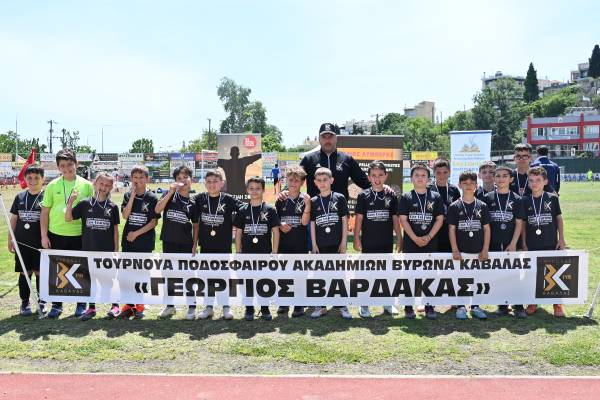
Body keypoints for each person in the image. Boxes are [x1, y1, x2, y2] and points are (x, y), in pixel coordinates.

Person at [40, 149, 94, 319]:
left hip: (79, 234)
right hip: (56, 233)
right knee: (58, 270)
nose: (67, 168)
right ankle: (57, 305)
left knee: (80, 270)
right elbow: (44, 212)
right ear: (58, 167)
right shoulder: (52, 185)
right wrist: (44, 235)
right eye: (62, 165)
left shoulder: (87, 185)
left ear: (76, 164)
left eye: (70, 164)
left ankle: (81, 304)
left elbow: (92, 210)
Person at [65, 172, 120, 321]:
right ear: (95, 184)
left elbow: (115, 230)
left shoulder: (113, 207)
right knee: (91, 280)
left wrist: (116, 249)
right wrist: (70, 203)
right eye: (101, 183)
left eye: (107, 185)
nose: (103, 187)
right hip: (88, 250)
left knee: (108, 280)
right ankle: (91, 307)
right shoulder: (84, 204)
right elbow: (68, 218)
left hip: (107, 251)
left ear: (111, 188)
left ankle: (115, 306)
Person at [193, 169, 244, 320]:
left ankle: (226, 306)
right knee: (206, 277)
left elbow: (245, 208)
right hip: (206, 246)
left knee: (223, 276)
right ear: (205, 184)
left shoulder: (228, 199)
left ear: (222, 184)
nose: (212, 184)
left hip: (223, 246)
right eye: (209, 182)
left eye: (215, 181)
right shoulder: (199, 198)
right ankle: (208, 307)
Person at [354, 161, 401, 318]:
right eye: (373, 175)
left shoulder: (391, 195)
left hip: (386, 242)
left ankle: (387, 303)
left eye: (380, 175)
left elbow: (395, 218)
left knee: (386, 273)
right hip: (368, 242)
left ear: (386, 176)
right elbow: (359, 219)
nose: (377, 178)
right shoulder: (363, 195)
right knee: (367, 273)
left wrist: (399, 237)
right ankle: (364, 304)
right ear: (369, 177)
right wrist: (356, 238)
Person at [397, 163, 444, 320]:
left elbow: (439, 219)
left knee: (429, 274)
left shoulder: (435, 197)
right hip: (411, 243)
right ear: (411, 178)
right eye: (416, 175)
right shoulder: (406, 197)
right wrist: (414, 238)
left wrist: (429, 237)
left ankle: (429, 306)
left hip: (430, 243)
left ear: (428, 179)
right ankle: (408, 307)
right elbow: (403, 220)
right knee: (409, 275)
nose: (420, 178)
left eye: (423, 175)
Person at [234, 176, 280, 321]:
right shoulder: (242, 210)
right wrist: (238, 251)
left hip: (264, 253)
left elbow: (275, 231)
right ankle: (249, 308)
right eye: (251, 188)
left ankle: (265, 308)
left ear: (263, 190)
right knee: (247, 282)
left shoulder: (270, 210)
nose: (254, 191)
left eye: (258, 188)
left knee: (264, 281)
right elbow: (239, 232)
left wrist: (274, 252)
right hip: (246, 253)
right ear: (247, 190)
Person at [483, 165, 527, 318]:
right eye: (498, 176)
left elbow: (519, 223)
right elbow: (485, 224)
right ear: (494, 179)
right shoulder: (487, 198)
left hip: (511, 243)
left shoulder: (517, 199)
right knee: (498, 275)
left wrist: (514, 243)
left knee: (515, 274)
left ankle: (519, 306)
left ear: (511, 179)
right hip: (494, 242)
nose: (501, 179)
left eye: (504, 176)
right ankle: (502, 305)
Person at [521, 166, 566, 318]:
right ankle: (533, 302)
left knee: (553, 273)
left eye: (538, 180)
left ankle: (557, 304)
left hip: (550, 242)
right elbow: (523, 224)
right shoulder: (525, 200)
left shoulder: (552, 198)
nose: (534, 183)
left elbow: (559, 218)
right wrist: (524, 243)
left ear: (545, 181)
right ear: (528, 183)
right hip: (532, 243)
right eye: (531, 180)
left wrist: (561, 239)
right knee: (533, 274)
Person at [117, 165, 161, 319]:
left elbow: (154, 222)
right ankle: (129, 305)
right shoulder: (127, 195)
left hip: (144, 242)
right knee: (127, 273)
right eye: (135, 177)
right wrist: (132, 196)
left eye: (141, 177)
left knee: (142, 273)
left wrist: (136, 233)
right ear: (131, 179)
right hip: (128, 242)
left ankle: (140, 304)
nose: (138, 180)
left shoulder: (152, 197)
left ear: (147, 179)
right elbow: (125, 216)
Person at [155, 166, 197, 320]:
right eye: (179, 178)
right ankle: (169, 305)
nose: (182, 181)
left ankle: (191, 306)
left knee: (188, 274)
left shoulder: (194, 201)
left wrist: (195, 244)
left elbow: (196, 225)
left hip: (186, 243)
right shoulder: (169, 195)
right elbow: (157, 210)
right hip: (169, 240)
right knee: (169, 274)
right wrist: (170, 192)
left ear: (191, 180)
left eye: (185, 177)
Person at [448, 171, 491, 320]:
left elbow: (487, 229)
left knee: (477, 279)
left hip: (478, 251)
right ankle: (461, 306)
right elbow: (452, 229)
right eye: (465, 183)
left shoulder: (482, 206)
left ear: (476, 186)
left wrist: (485, 249)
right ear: (459, 185)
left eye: (472, 183)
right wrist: (455, 249)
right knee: (461, 279)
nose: (468, 185)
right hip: (461, 251)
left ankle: (475, 306)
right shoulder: (454, 206)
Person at [309, 167, 351, 319]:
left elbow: (344, 220)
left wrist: (344, 242)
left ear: (331, 180)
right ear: (315, 182)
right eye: (319, 180)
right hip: (321, 245)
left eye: (325, 180)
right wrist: (314, 244)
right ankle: (320, 305)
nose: (322, 183)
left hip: (337, 243)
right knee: (320, 274)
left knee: (339, 274)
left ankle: (342, 305)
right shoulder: (313, 201)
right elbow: (312, 224)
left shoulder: (339, 198)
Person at [275, 165, 311, 318]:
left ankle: (299, 304)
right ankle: (284, 302)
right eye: (290, 180)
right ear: (286, 180)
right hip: (284, 243)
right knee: (284, 273)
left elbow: (305, 222)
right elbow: (274, 219)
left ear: (302, 182)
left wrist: (308, 205)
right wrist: (280, 224)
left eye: (297, 180)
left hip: (300, 243)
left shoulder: (305, 199)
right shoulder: (280, 199)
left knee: (300, 274)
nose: (293, 183)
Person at [9, 165, 45, 316]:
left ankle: (42, 301)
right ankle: (25, 303)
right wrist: (10, 238)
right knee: (25, 272)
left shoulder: (46, 196)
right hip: (22, 242)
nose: (33, 181)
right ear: (25, 179)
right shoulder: (20, 197)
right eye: (29, 178)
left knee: (40, 272)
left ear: (43, 179)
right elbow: (14, 218)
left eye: (37, 178)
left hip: (40, 244)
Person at [299, 123, 370, 199]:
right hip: (315, 206)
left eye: (330, 136)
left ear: (336, 138)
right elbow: (295, 180)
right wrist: (289, 193)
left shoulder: (347, 159)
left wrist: (379, 190)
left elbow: (364, 182)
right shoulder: (309, 159)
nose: (327, 140)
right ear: (319, 139)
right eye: (324, 137)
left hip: (340, 206)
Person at [428, 158, 461, 253]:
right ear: (433, 172)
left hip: (449, 233)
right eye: (438, 172)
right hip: (433, 233)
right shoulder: (428, 189)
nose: (442, 175)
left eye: (445, 172)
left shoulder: (454, 190)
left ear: (449, 172)